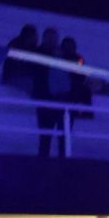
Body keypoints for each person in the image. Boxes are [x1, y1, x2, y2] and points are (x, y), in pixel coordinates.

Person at [33, 27, 65, 158]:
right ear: (44, 38)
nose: (52, 40)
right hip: (45, 98)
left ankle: (63, 160)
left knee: (63, 135)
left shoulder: (61, 53)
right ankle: (43, 159)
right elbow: (38, 73)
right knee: (45, 135)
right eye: (49, 38)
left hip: (60, 98)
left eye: (54, 38)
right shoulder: (38, 53)